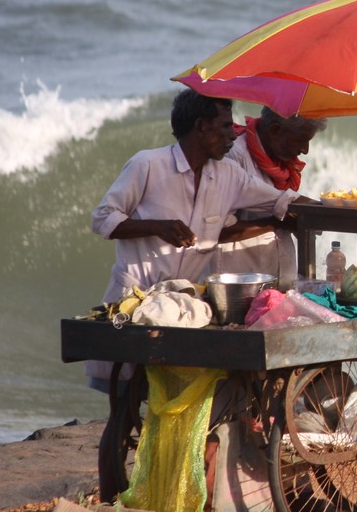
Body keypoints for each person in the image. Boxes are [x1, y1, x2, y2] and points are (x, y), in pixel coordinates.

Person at [87, 89, 300, 391]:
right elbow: (102, 218)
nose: (232, 135)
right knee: (126, 402)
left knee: (177, 396)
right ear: (201, 126)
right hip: (134, 301)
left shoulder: (229, 174)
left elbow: (280, 201)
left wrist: (328, 208)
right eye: (226, 126)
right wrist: (156, 227)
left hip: (183, 308)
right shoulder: (147, 165)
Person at [215, 107, 327, 290]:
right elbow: (217, 230)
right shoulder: (234, 157)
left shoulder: (284, 166)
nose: (305, 150)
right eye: (301, 140)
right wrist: (279, 222)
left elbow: (286, 205)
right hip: (240, 285)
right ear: (275, 130)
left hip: (280, 282)